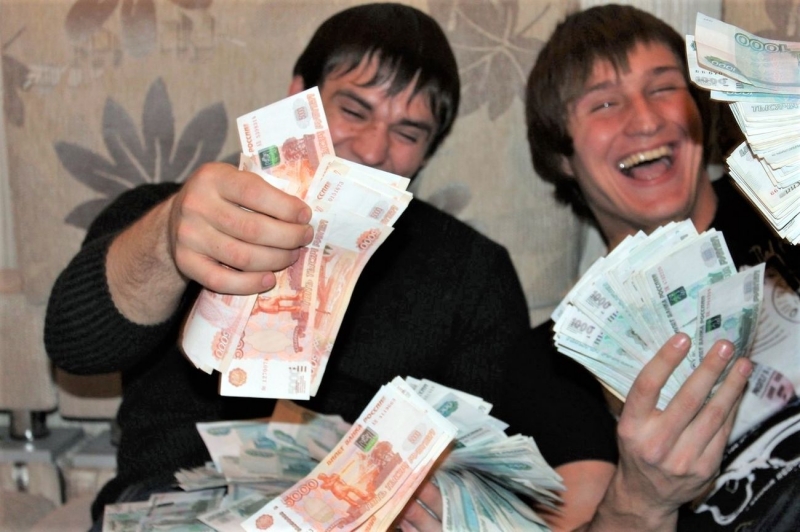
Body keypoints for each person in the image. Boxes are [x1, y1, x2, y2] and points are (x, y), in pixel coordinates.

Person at [44, 4, 531, 530]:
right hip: (173, 498)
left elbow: (484, 461)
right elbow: (74, 349)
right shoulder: (168, 214)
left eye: (408, 133)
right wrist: (166, 237)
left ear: (428, 151)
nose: (373, 150)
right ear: (299, 98)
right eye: (354, 110)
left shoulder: (474, 271)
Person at [503, 3, 800, 531]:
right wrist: (641, 498)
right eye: (604, 103)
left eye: (664, 88)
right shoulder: (558, 358)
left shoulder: (784, 196)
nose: (645, 120)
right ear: (562, 157)